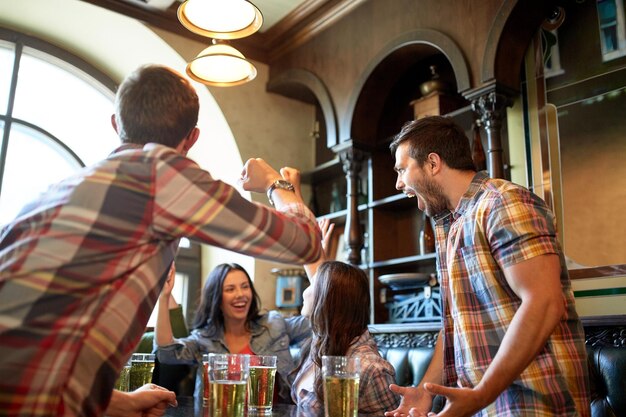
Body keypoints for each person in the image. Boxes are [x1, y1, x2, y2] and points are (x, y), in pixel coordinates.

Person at [0, 64, 321, 417]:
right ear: (191, 138)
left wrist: (120, 402)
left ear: (115, 124)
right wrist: (276, 182)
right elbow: (305, 241)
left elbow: (47, 345)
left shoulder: (59, 190)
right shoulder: (163, 173)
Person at [384, 116, 590, 417]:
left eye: (402, 170)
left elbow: (544, 302)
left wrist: (481, 394)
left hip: (536, 403)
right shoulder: (454, 224)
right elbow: (457, 323)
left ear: (432, 163)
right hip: (489, 406)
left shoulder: (502, 202)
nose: (399, 183)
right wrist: (424, 390)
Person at [281, 168, 400, 415]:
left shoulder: (370, 368)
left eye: (314, 285)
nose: (306, 288)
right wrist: (294, 194)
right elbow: (317, 269)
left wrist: (285, 193)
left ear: (329, 301)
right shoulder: (322, 342)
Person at [155, 262, 311, 403]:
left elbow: (320, 324)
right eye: (230, 289)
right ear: (216, 298)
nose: (240, 294)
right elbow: (166, 353)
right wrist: (164, 296)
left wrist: (317, 269)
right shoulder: (204, 338)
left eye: (245, 286)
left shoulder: (273, 324)